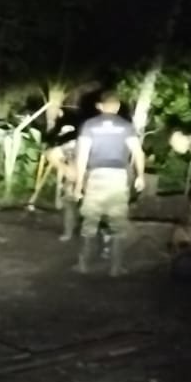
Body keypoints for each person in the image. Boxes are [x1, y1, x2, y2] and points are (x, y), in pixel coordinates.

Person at [72, 91, 145, 275]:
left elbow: (82, 156)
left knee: (89, 222)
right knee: (118, 224)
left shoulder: (89, 125)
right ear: (117, 106)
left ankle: (83, 265)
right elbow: (138, 153)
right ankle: (116, 268)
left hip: (96, 176)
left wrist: (79, 185)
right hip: (118, 178)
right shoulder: (126, 126)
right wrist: (140, 176)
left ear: (100, 106)